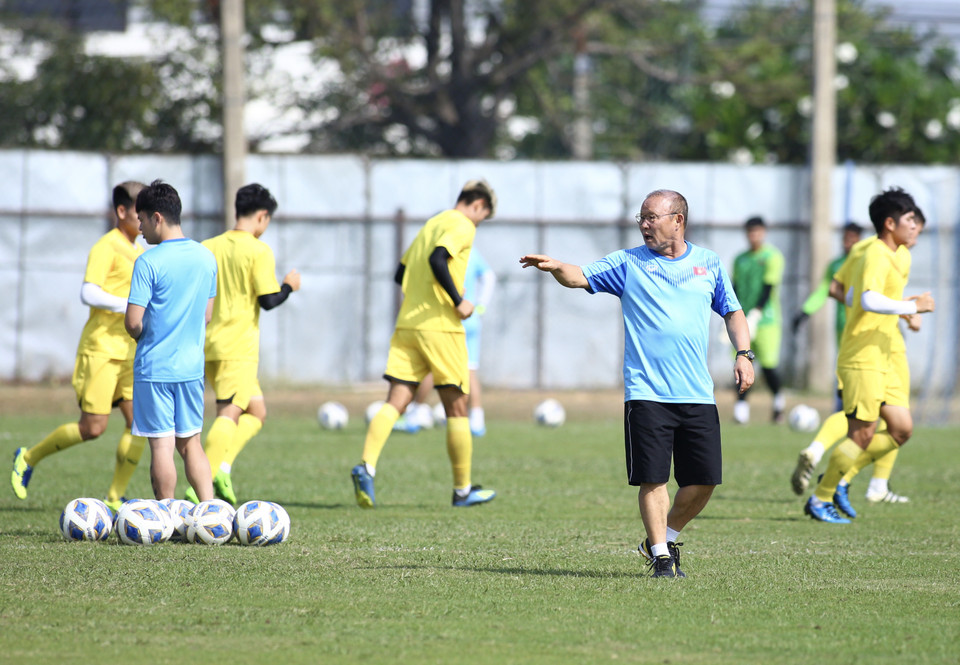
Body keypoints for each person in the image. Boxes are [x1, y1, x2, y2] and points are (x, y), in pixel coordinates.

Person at [520, 189, 754, 578]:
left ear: (678, 220)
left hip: (696, 392)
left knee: (704, 482)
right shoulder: (628, 263)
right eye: (640, 218)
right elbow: (580, 277)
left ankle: (661, 536)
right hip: (647, 393)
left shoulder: (708, 264)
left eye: (652, 218)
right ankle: (662, 557)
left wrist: (743, 354)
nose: (644, 225)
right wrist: (558, 266)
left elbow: (732, 311)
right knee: (654, 479)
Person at [350, 179, 498, 508]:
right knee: (457, 407)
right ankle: (462, 490)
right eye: (482, 216)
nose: (478, 224)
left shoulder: (432, 223)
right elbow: (438, 259)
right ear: (477, 205)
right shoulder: (461, 224)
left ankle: (366, 465)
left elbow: (400, 273)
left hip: (407, 324)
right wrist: (459, 300)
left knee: (395, 401)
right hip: (441, 328)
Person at [11, 182, 150, 510]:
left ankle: (115, 497)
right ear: (121, 211)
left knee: (140, 422)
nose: (143, 218)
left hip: (130, 351)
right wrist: (128, 304)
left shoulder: (141, 252)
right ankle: (28, 457)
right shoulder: (107, 246)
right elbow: (89, 292)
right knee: (93, 428)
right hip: (101, 349)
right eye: (138, 210)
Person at [803, 188, 934, 524]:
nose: (916, 225)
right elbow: (865, 299)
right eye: (910, 220)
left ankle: (841, 477)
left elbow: (857, 294)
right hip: (862, 356)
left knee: (902, 430)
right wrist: (910, 306)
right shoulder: (873, 253)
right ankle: (820, 498)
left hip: (886, 353)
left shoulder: (900, 254)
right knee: (861, 433)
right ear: (889, 224)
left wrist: (904, 312)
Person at [183, 183, 301, 506]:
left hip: (209, 344)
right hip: (238, 348)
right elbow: (268, 300)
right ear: (263, 216)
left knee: (257, 412)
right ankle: (199, 485)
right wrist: (289, 286)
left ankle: (221, 468)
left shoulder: (208, 246)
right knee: (229, 413)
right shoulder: (258, 250)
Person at [124, 180, 218, 502]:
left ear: (157, 218)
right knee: (191, 443)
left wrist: (143, 335)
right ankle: (210, 512)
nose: (139, 228)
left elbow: (133, 321)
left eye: (142, 219)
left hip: (156, 368)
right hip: (191, 369)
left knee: (162, 445)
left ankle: (164, 515)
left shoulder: (148, 262)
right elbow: (207, 315)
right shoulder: (206, 258)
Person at [397, 249, 496, 437]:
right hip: (472, 318)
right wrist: (481, 304)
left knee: (433, 367)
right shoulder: (472, 253)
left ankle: (416, 412)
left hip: (450, 319)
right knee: (470, 369)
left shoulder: (441, 254)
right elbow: (489, 276)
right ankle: (476, 419)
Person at [731, 216, 785, 424]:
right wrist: (730, 314)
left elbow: (768, 286)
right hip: (742, 320)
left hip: (766, 320)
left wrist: (756, 312)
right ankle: (741, 409)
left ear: (763, 233)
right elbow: (734, 288)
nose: (754, 236)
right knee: (742, 360)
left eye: (757, 232)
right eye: (750, 232)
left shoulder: (772, 256)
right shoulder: (740, 259)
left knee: (768, 365)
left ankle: (778, 402)